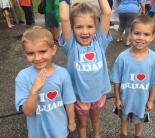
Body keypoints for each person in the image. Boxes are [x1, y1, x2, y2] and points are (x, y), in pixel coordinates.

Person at [59, 0, 112, 138]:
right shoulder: (71, 45)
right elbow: (64, 18)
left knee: (95, 120)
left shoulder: (100, 41)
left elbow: (107, 12)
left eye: (90, 26)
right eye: (79, 27)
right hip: (79, 98)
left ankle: (97, 135)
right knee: (82, 125)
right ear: (72, 27)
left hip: (98, 96)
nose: (84, 31)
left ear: (96, 27)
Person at [15, 26, 76, 138]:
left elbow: (69, 101)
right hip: (37, 133)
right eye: (30, 53)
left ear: (53, 49)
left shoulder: (63, 74)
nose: (37, 58)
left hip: (59, 130)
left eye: (42, 51)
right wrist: (33, 91)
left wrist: (71, 121)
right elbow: (28, 112)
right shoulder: (23, 77)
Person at [110, 15, 155, 138]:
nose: (141, 38)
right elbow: (116, 80)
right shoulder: (122, 57)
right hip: (124, 100)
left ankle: (138, 135)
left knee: (139, 122)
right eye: (137, 33)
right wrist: (117, 98)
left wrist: (151, 100)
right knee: (123, 119)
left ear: (152, 36)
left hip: (142, 102)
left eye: (146, 34)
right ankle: (123, 134)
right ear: (130, 34)